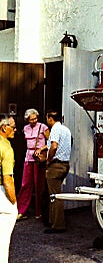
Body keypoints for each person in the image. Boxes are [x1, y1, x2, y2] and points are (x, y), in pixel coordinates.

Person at [37, 110, 71, 234]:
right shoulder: (65, 129)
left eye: (47, 118)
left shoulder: (55, 129)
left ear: (50, 118)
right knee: (55, 194)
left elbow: (54, 146)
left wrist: (48, 160)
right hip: (65, 164)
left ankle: (58, 225)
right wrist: (44, 147)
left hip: (56, 165)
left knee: (55, 196)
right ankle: (52, 220)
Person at [16, 109, 49, 221]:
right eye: (32, 119)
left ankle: (39, 212)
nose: (34, 120)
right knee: (25, 184)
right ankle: (21, 210)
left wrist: (41, 149)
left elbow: (50, 142)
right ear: (27, 119)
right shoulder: (25, 128)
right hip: (28, 158)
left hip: (39, 159)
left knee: (39, 185)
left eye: (35, 118)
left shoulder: (43, 127)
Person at [0, 115, 18, 262]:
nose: (15, 129)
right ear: (4, 128)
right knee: (3, 241)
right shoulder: (6, 148)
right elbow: (7, 180)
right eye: (13, 126)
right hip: (1, 194)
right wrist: (13, 201)